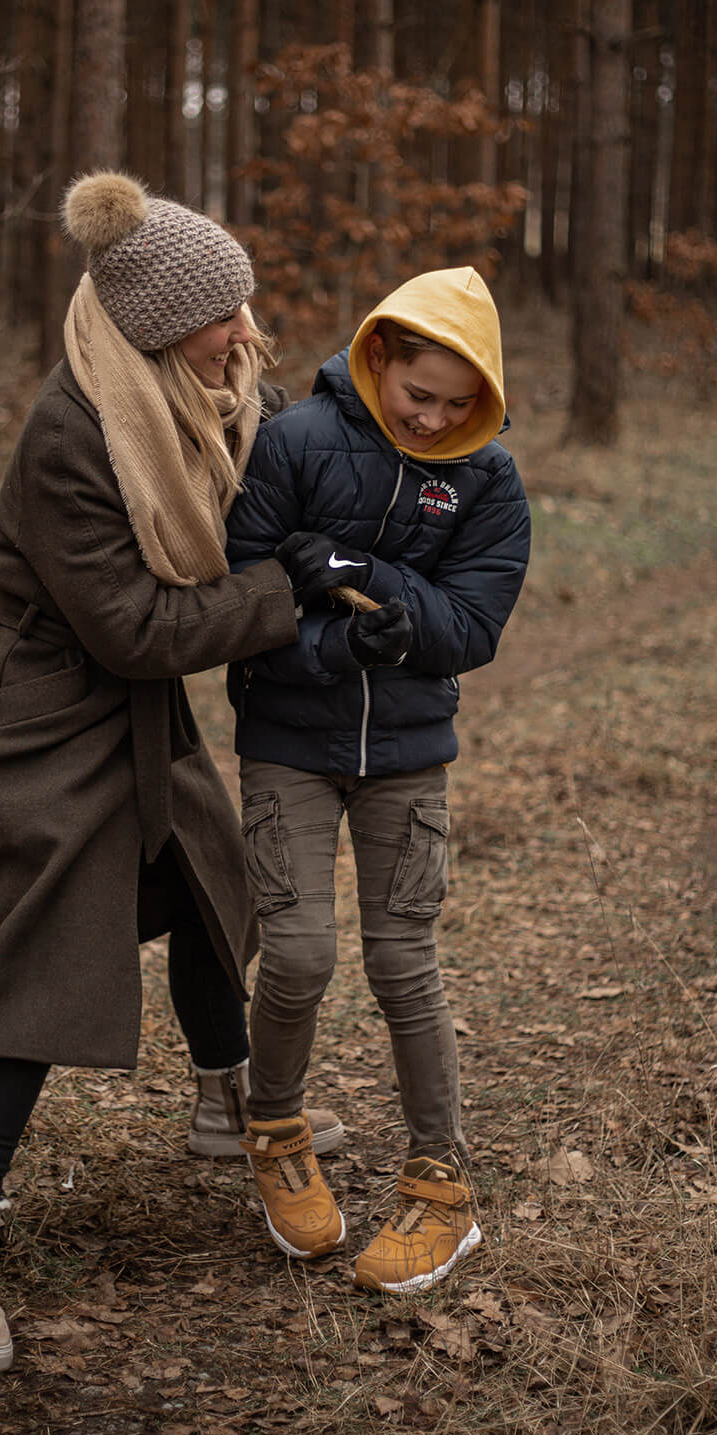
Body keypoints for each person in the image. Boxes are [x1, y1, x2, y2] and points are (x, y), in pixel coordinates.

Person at [0, 172, 355, 1371]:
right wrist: (282, 591)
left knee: (206, 877)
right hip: (50, 700)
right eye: (223, 315)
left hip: (131, 694)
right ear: (157, 327)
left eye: (244, 304)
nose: (246, 332)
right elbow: (133, 628)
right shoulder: (73, 432)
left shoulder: (196, 392)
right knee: (42, 940)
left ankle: (225, 1100)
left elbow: (277, 459)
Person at [224, 264, 531, 1294]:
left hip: (407, 755)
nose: (434, 418)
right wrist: (333, 644)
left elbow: (470, 626)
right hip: (287, 743)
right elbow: (242, 597)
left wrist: (364, 578)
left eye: (458, 403)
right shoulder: (292, 443)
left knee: (405, 963)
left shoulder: (488, 480)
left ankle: (441, 1185)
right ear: (378, 357)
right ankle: (274, 1131)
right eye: (418, 393)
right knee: (298, 953)